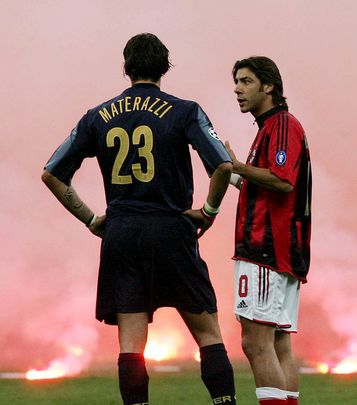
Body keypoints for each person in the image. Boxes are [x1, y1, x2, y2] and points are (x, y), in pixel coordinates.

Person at [41, 33, 236, 405]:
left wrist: (91, 219)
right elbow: (223, 165)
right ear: (165, 67)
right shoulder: (185, 110)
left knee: (131, 342)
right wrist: (209, 212)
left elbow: (52, 172)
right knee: (207, 332)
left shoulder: (96, 115)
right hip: (172, 228)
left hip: (122, 231)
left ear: (126, 68)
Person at [225, 56, 311, 405]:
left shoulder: (282, 126)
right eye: (237, 82)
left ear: (269, 86)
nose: (237, 89)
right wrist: (231, 170)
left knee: (255, 342)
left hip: (265, 248)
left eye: (246, 81)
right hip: (282, 250)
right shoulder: (268, 129)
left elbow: (282, 182)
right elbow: (262, 187)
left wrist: (238, 166)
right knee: (277, 342)